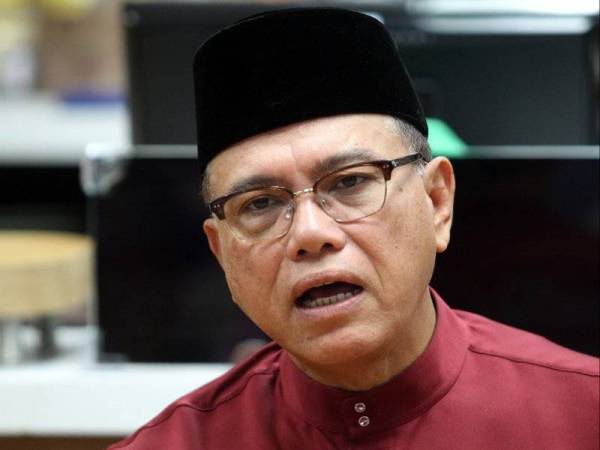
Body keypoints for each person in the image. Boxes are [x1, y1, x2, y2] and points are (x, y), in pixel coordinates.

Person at [109, 8, 599, 449]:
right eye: (260, 203)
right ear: (222, 254)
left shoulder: (583, 417)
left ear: (436, 202)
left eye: (350, 182)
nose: (309, 234)